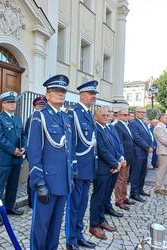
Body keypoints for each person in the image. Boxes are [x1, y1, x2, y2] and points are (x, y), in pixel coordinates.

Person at [28, 75, 73, 250]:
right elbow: (34, 151)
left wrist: (71, 175)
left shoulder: (66, 118)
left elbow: (69, 150)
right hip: (47, 181)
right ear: (47, 94)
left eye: (63, 91)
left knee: (55, 226)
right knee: (41, 226)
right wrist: (39, 182)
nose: (61, 94)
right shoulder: (40, 116)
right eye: (56, 91)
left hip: (63, 181)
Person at [66, 80, 98, 250]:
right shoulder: (74, 114)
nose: (93, 97)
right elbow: (70, 144)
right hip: (79, 168)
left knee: (82, 204)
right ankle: (70, 240)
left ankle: (79, 235)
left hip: (88, 167)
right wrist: (74, 166)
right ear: (82, 95)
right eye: (91, 94)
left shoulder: (88, 114)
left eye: (95, 94)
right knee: (74, 205)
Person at [0, 91, 27, 226]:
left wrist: (24, 147)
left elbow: (23, 135)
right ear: (3, 104)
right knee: (0, 187)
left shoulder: (17, 118)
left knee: (13, 185)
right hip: (5, 159)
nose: (13, 104)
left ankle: (10, 207)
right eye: (10, 102)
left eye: (14, 102)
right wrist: (13, 150)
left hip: (17, 159)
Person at [89, 107, 120, 240]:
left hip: (113, 168)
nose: (106, 117)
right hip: (102, 170)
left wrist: (119, 160)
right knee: (98, 197)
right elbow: (101, 149)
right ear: (96, 117)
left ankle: (101, 220)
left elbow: (115, 146)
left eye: (108, 115)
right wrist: (115, 163)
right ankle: (94, 224)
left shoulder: (107, 128)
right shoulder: (95, 128)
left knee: (105, 196)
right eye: (103, 115)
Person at [25, 96, 47, 209]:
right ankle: (31, 200)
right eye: (39, 105)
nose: (41, 107)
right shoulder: (33, 118)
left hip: (43, 154)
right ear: (35, 106)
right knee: (33, 175)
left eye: (43, 105)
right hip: (34, 153)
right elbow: (29, 137)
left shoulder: (45, 117)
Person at [104, 107, 125, 217]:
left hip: (116, 162)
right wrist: (114, 162)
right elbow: (104, 149)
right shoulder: (102, 128)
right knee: (103, 192)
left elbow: (118, 144)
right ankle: (102, 213)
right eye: (108, 112)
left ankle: (108, 207)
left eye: (112, 112)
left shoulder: (111, 127)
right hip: (109, 164)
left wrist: (121, 158)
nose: (110, 114)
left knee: (109, 190)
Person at [129, 107, 153, 202]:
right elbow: (137, 137)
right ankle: (134, 193)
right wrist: (147, 147)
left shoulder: (143, 123)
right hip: (138, 152)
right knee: (136, 173)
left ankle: (140, 189)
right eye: (141, 112)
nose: (143, 114)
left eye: (144, 112)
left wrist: (150, 145)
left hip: (144, 152)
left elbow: (148, 136)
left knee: (143, 172)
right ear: (136, 113)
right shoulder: (133, 123)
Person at [114, 109, 136, 210]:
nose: (127, 116)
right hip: (124, 157)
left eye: (128, 114)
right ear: (119, 115)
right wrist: (122, 157)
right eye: (125, 114)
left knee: (125, 179)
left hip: (129, 157)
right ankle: (119, 200)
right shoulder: (118, 126)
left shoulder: (126, 125)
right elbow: (119, 143)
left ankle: (124, 196)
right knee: (121, 179)